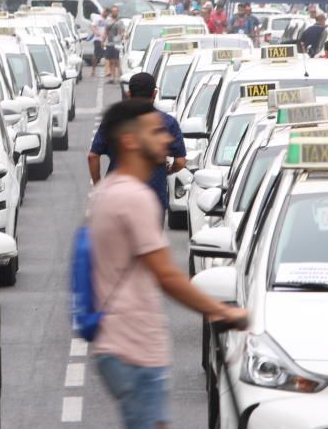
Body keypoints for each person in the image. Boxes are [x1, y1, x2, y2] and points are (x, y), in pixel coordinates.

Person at [88, 98, 246, 429]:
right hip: (134, 348)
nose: (166, 139)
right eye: (156, 131)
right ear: (130, 141)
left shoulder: (109, 191)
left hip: (120, 344)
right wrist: (222, 310)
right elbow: (166, 275)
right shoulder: (134, 197)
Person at [89, 72, 186, 217]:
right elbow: (180, 161)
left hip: (117, 197)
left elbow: (93, 156)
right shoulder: (167, 122)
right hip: (155, 197)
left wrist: (98, 187)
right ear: (154, 93)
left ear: (129, 94)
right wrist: (169, 170)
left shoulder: (115, 121)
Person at [104, 6, 125, 84]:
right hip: (109, 43)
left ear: (118, 12)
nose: (114, 13)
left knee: (117, 61)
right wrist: (103, 41)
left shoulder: (120, 22)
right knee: (111, 61)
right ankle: (113, 78)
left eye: (115, 11)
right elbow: (106, 31)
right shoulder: (108, 21)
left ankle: (120, 77)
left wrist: (122, 36)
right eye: (113, 11)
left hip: (117, 44)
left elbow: (122, 31)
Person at [90, 10, 109, 78]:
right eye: (105, 13)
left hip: (106, 40)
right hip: (98, 39)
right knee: (96, 55)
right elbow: (92, 26)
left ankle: (108, 71)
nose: (105, 14)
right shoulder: (97, 18)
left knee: (107, 55)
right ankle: (93, 70)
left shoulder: (108, 19)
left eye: (107, 13)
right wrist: (96, 32)